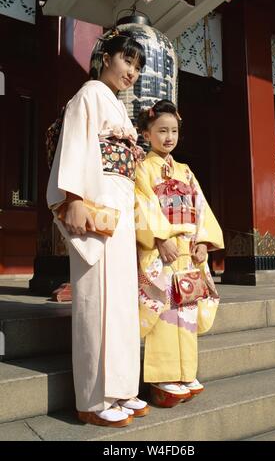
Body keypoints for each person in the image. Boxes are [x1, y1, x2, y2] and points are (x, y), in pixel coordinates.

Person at [46, 29, 150, 427]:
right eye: (127, 61)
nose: (133, 72)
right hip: (96, 200)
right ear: (105, 56)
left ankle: (122, 388)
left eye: (138, 67)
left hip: (120, 203)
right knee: (95, 298)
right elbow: (75, 142)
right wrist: (72, 199)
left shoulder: (119, 107)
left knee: (121, 299)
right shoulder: (89, 93)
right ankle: (92, 398)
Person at [135, 100, 224, 408]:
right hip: (163, 252)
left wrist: (203, 242)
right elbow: (142, 204)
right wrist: (160, 238)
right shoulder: (142, 168)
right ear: (146, 134)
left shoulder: (185, 171)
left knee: (185, 311)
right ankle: (162, 376)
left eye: (173, 131)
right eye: (161, 131)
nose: (168, 137)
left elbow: (200, 208)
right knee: (165, 312)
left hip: (186, 250)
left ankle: (186, 372)